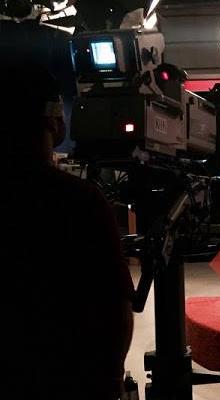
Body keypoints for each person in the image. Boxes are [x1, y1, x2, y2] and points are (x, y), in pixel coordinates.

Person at [2, 61, 134, 399]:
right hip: (73, 380)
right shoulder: (79, 200)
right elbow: (116, 305)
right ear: (52, 118)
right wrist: (112, 379)